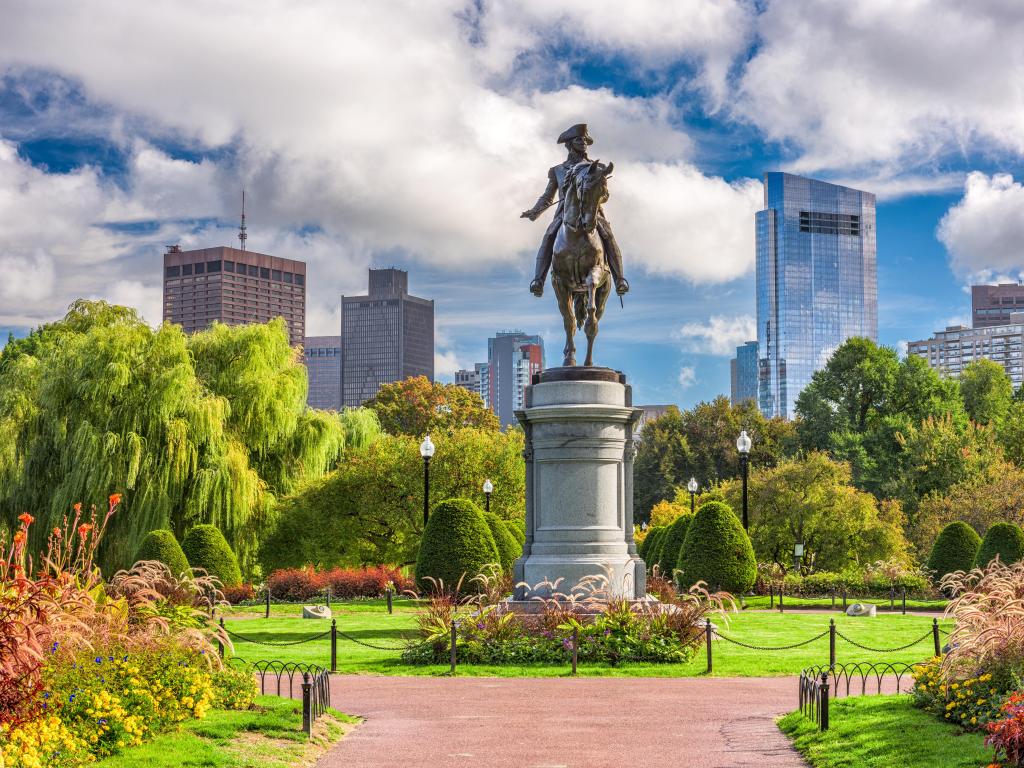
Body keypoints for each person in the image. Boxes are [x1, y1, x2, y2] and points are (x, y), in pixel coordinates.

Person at [520, 123, 629, 297]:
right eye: (580, 139)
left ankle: (619, 279)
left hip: (592, 212)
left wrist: (595, 197)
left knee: (608, 235)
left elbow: (605, 195)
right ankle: (538, 280)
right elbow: (548, 196)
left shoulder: (597, 168)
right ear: (570, 144)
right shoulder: (557, 170)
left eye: (586, 140)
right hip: (565, 213)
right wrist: (535, 211)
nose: (584, 142)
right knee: (549, 236)